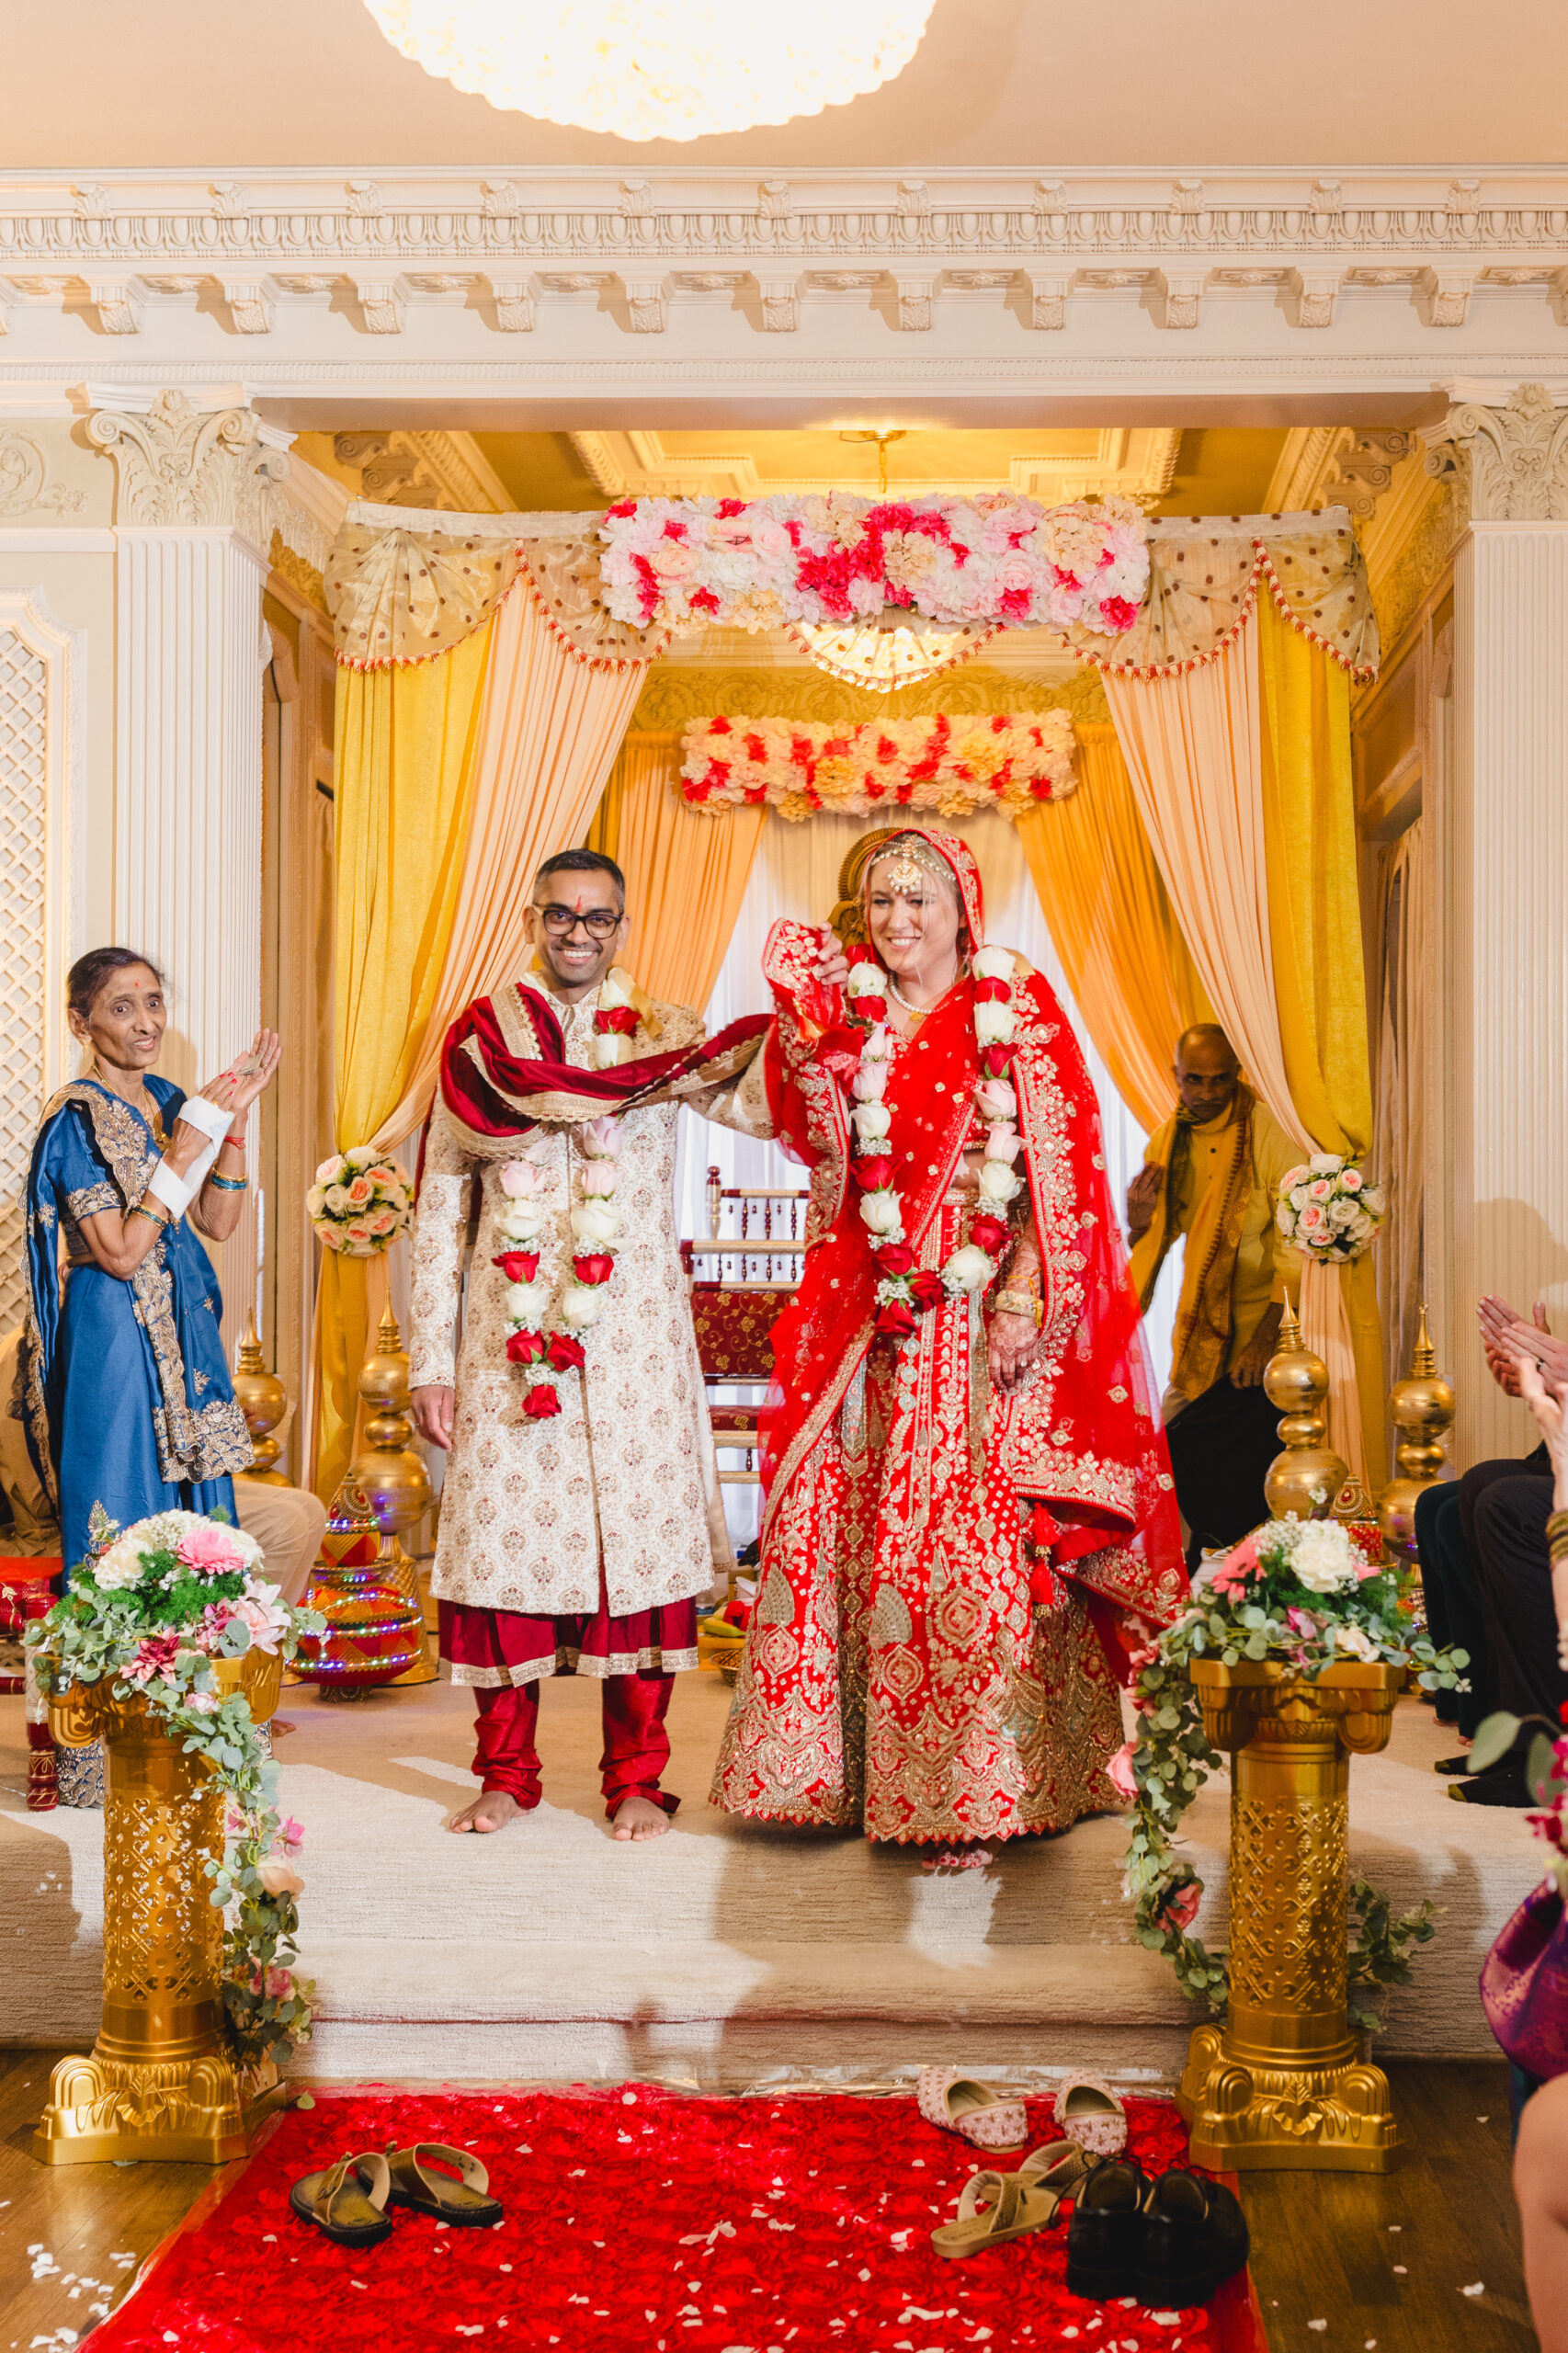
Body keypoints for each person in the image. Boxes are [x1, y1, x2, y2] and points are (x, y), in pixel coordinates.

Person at [711, 825, 1187, 1847]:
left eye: (917, 899)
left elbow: (1063, 1170)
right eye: (879, 901)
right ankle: (822, 1773)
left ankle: (993, 1775)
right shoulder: (852, 1009)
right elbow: (809, 1137)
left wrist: (1022, 1295)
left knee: (967, 1525)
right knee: (836, 1504)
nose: (897, 921)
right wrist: (809, 1036)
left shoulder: (1013, 1006)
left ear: (961, 907)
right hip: (867, 1294)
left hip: (978, 1309)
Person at [408, 848, 772, 1844]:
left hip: (634, 1346)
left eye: (599, 917)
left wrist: (837, 1033)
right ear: (533, 918)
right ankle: (506, 1774)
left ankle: (636, 1779)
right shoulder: (479, 1046)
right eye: (563, 915)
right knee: (502, 1553)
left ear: (622, 924)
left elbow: (767, 1104)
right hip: (505, 1340)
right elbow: (441, 1204)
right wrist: (429, 1362)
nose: (580, 932)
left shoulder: (661, 1036)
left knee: (639, 1558)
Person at [18, 949, 281, 1575]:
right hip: (111, 1327)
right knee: (121, 1489)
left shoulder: (167, 1098)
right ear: (82, 1025)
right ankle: (121, 1663)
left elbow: (217, 1223)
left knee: (196, 1517)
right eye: (122, 1007)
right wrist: (184, 1151)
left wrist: (234, 1125)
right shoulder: (74, 1120)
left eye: (154, 1003)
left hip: (180, 1326)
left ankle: (201, 1652)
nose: (146, 1023)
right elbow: (120, 1253)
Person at [1125, 1024, 1300, 1570]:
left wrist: (1266, 1343)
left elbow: (1295, 1248)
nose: (1205, 1093)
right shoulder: (1169, 1139)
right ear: (1176, 1077)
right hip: (1200, 1338)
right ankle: (1172, 1578)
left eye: (1219, 1080)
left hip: (1266, 1338)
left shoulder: (1267, 1133)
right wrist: (1137, 1223)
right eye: (1193, 1080)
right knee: (1167, 1452)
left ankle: (1249, 1576)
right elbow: (1159, 1236)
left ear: (1238, 1076)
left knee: (1252, 1469)